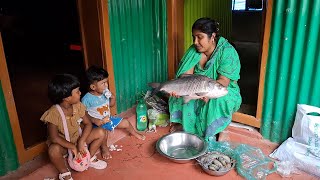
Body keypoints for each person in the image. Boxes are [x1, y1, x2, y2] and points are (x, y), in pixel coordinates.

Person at [169, 17, 242, 141]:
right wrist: (181, 90)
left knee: (220, 99)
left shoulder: (227, 52)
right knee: (181, 94)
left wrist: (208, 93)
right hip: (198, 86)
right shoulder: (193, 51)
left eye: (200, 37)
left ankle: (221, 128)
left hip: (220, 87)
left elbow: (224, 81)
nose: (195, 42)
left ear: (212, 37)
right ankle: (184, 124)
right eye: (194, 37)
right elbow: (186, 77)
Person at [40, 74, 107, 180]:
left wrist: (81, 142)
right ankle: (64, 173)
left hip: (79, 139)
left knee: (101, 132)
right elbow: (54, 138)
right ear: (66, 98)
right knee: (53, 150)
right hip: (65, 145)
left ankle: (89, 158)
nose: (80, 93)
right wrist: (72, 147)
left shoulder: (78, 105)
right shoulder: (53, 113)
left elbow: (88, 124)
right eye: (77, 91)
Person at [81, 66, 145, 159]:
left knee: (126, 122)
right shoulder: (86, 99)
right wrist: (94, 120)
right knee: (103, 134)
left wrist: (113, 98)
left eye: (106, 82)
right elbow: (83, 113)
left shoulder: (104, 93)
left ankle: (134, 133)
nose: (106, 85)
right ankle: (104, 147)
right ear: (93, 87)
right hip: (97, 123)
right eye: (103, 83)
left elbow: (110, 105)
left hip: (108, 118)